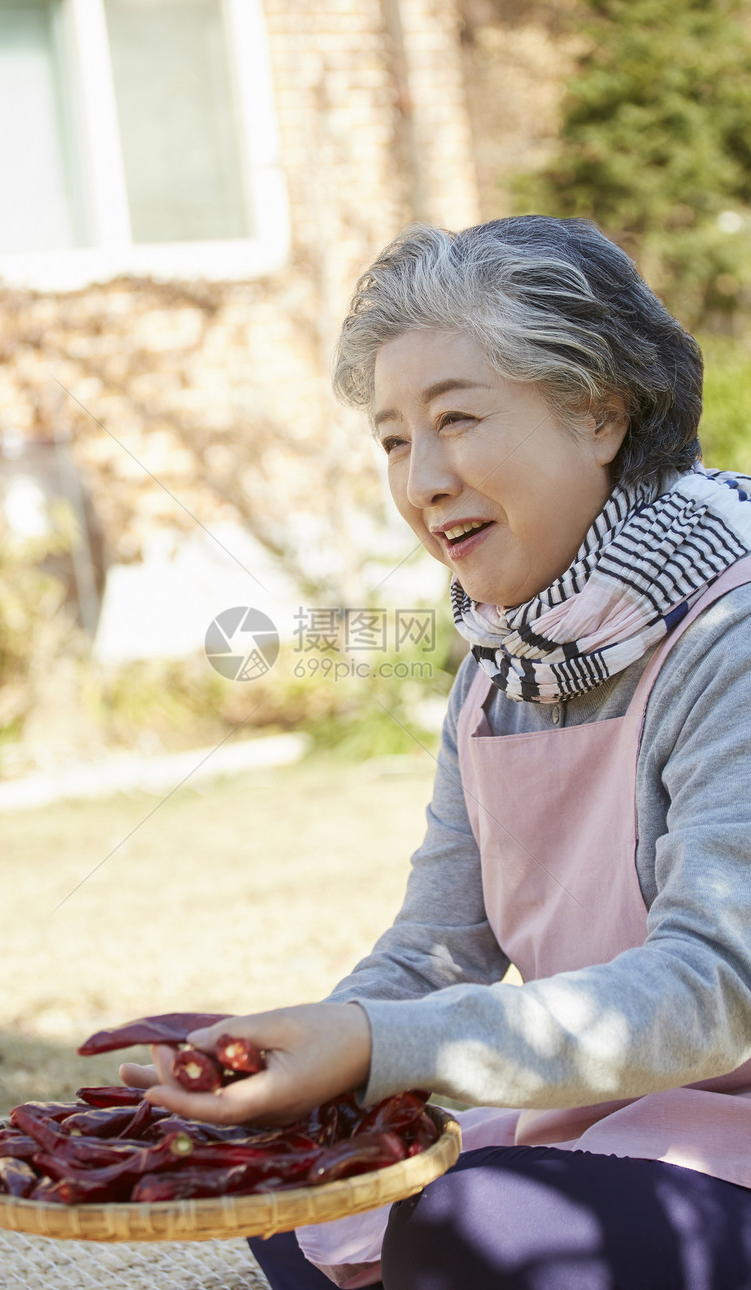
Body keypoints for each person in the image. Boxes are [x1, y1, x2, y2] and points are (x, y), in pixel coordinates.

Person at [121, 217, 751, 1289]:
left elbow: (713, 988)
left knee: (471, 1229)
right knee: (275, 1173)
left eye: (455, 419)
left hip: (723, 1145)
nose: (421, 481)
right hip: (605, 1119)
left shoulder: (725, 634)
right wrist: (297, 1056)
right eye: (393, 440)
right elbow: (434, 952)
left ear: (598, 412)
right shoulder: (503, 662)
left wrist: (376, 1046)